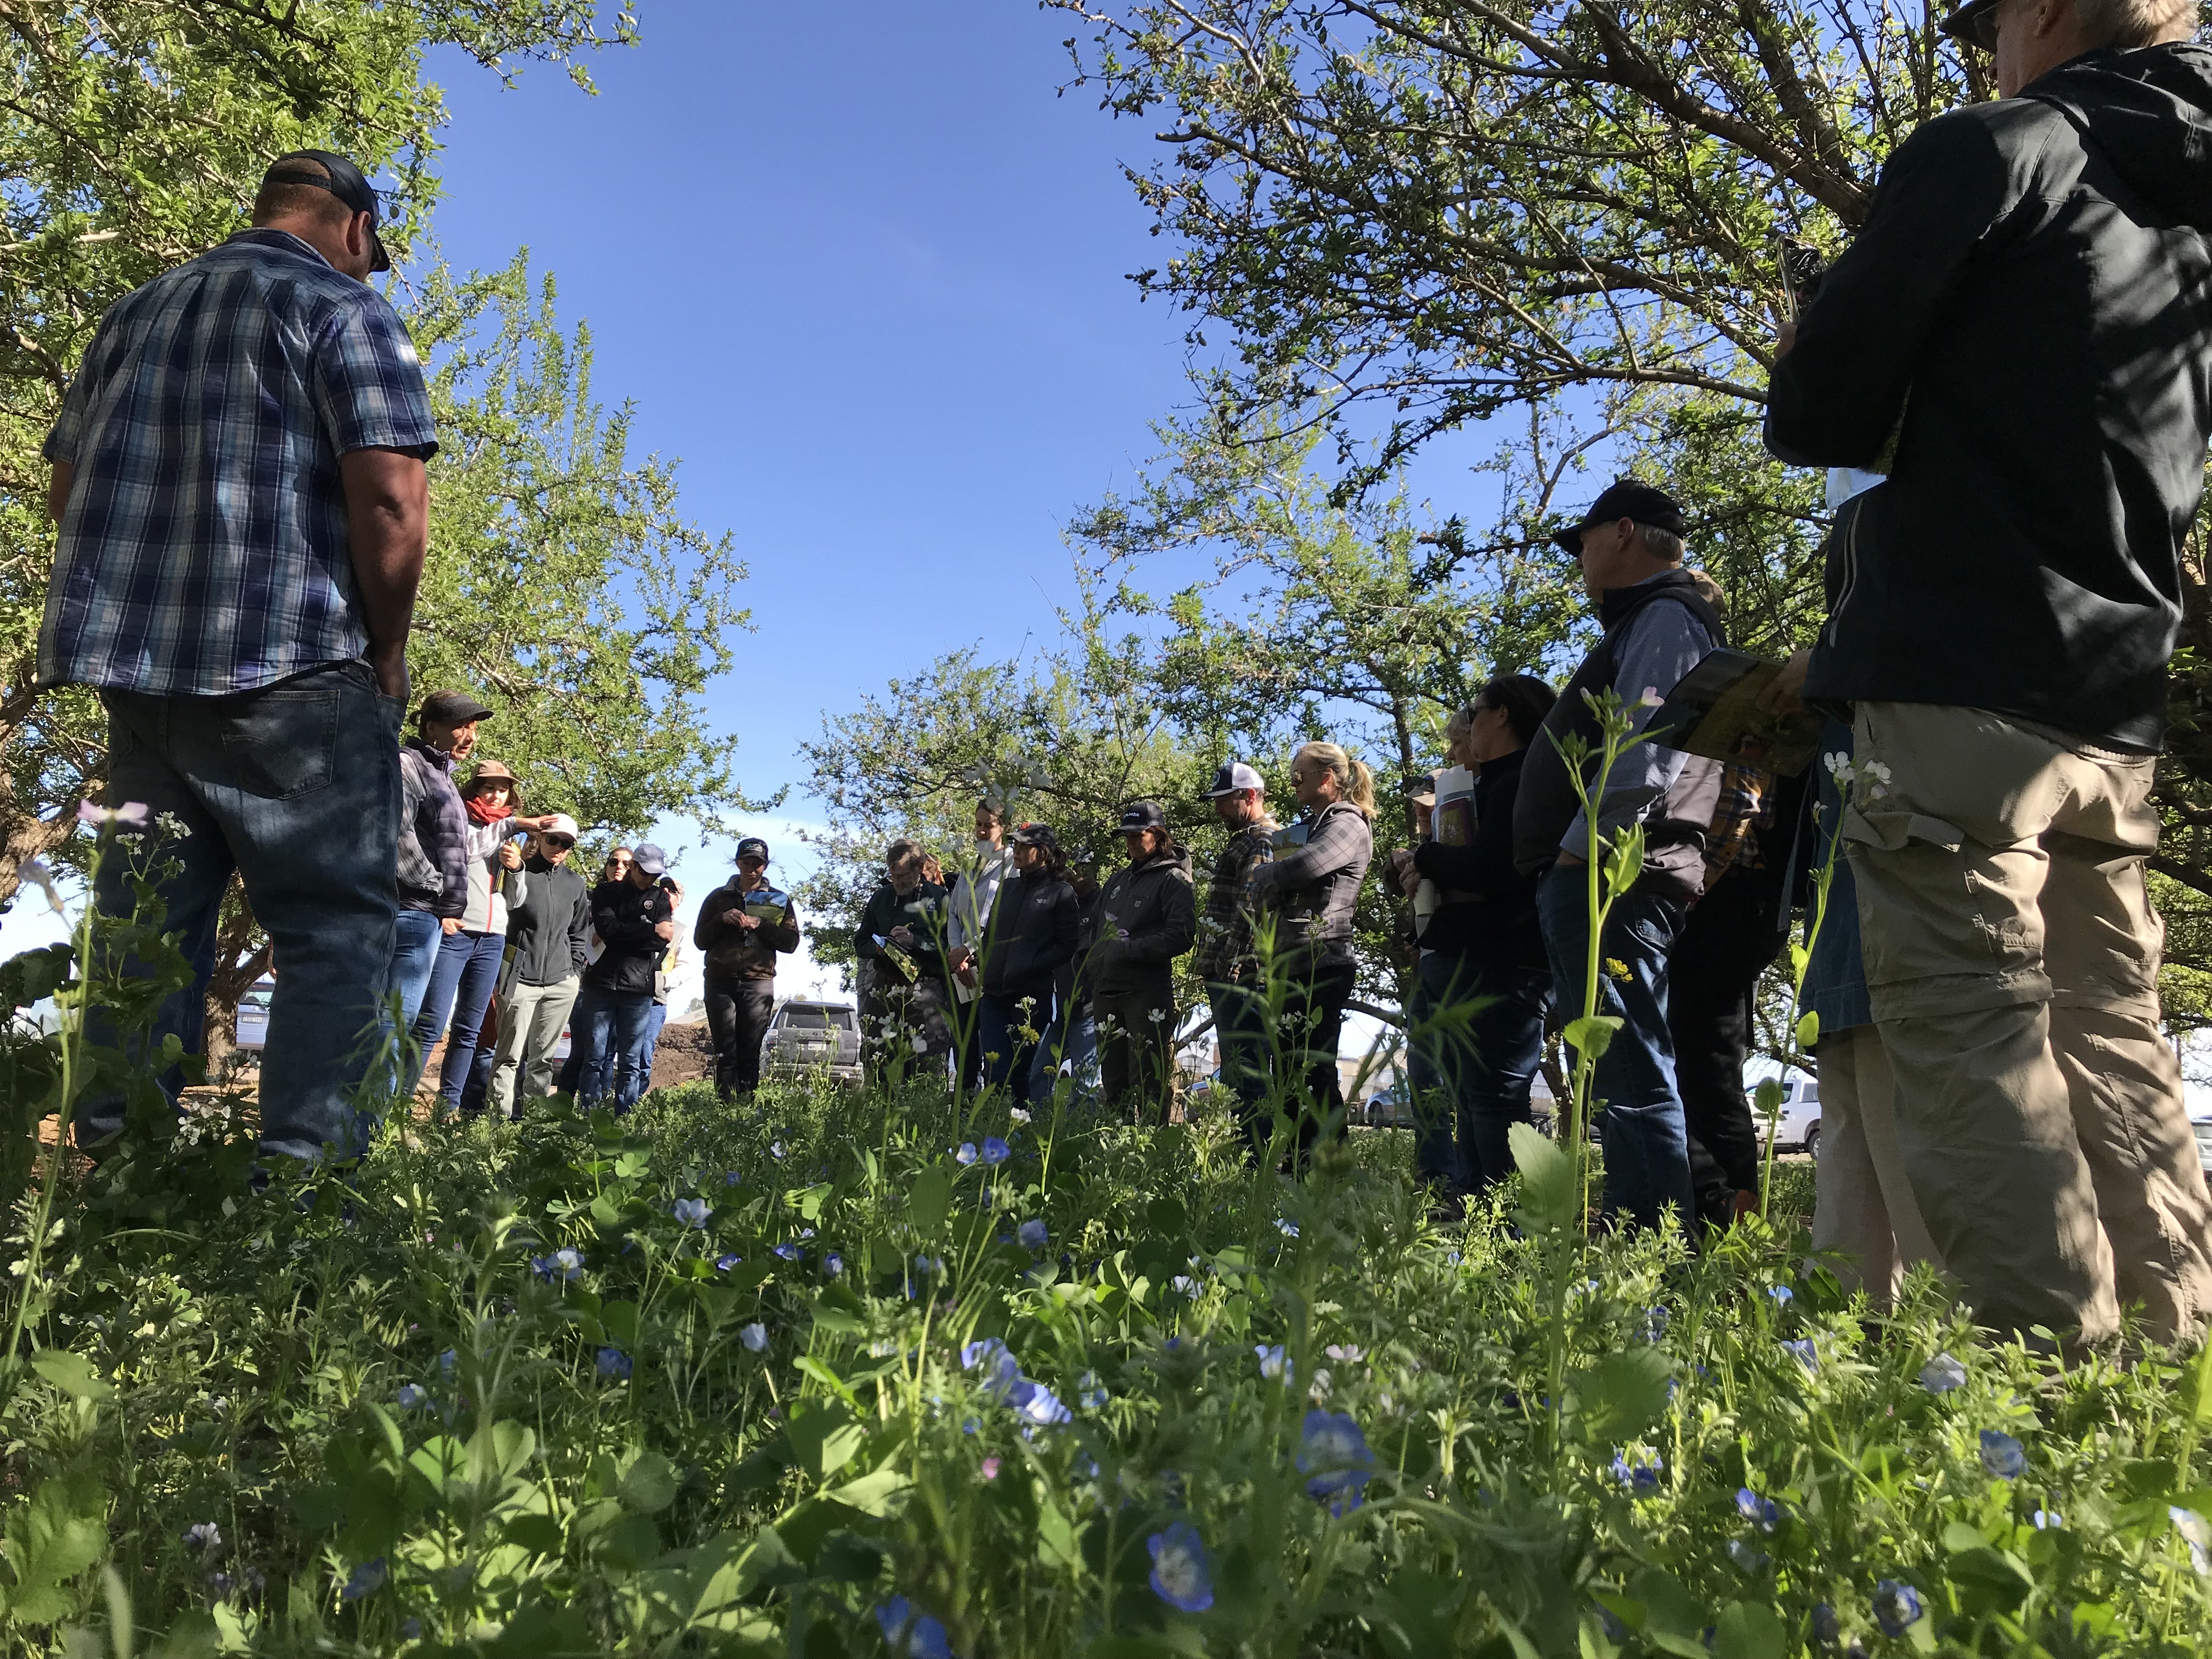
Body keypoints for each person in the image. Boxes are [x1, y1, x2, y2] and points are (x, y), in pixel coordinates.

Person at [1762, 0, 2212, 1344]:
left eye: (1994, 23)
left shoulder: (2000, 146)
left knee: (1971, 1040)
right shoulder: (2188, 212)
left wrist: (1819, 330)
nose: (1983, 50)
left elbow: (1816, 406)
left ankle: (2056, 1398)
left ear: (2053, 12)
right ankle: (2173, 1364)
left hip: (1963, 670)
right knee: (2110, 1039)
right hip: (2113, 694)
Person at [40, 150, 435, 1163]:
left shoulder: (134, 316)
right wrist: (386, 654)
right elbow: (389, 496)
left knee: (144, 935)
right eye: (371, 252)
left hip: (139, 678)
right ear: (354, 226)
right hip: (292, 671)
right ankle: (301, 1196)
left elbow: (65, 493)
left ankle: (122, 1175)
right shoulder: (344, 310)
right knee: (333, 930)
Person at [1515, 479, 1723, 1232]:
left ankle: (1651, 1256)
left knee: (1630, 1071)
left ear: (1624, 532)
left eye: (1584, 540)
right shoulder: (1650, 619)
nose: (1579, 557)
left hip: (1614, 880)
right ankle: (1646, 1238)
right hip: (1605, 876)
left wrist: (1580, 854)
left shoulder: (1666, 616)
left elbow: (1645, 748)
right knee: (1621, 1070)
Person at [1391, 677, 1557, 1200]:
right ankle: (1474, 1197)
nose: (1469, 728)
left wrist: (1424, 857)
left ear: (1503, 715)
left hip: (1503, 956)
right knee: (1471, 1092)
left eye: (1476, 713)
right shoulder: (1487, 786)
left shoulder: (1523, 781)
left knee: (1496, 1095)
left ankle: (1509, 1218)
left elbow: (1493, 868)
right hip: (1469, 950)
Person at [1799, 725, 1944, 1306]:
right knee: (1848, 1142)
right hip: (1840, 944)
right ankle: (1833, 1340)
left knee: (1907, 1146)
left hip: (1892, 937)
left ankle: (1961, 1347)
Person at [1248, 744, 1376, 1157]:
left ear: (1326, 778)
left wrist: (1263, 874)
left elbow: (1303, 868)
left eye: (1299, 775)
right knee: (1289, 1069)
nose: (1292, 783)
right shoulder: (1312, 826)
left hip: (1323, 959)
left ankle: (1330, 1166)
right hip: (1295, 960)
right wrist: (1271, 882)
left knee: (1312, 1068)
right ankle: (1302, 1160)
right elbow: (1279, 888)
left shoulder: (1347, 824)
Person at [409, 759, 541, 1110]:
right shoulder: (460, 820)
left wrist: (517, 869)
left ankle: (446, 1111)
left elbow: (515, 901)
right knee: (430, 1025)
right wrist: (444, 917)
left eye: (503, 789)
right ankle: (396, 1107)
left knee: (470, 1031)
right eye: (488, 788)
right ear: (474, 789)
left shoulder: (510, 837)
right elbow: (467, 851)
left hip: (493, 939)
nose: (496, 796)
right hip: (456, 932)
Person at [1088, 802, 1197, 1121]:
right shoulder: (1118, 880)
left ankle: (1152, 1149)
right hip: (1106, 991)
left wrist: (1130, 949)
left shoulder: (1174, 878)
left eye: (1139, 834)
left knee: (1148, 1079)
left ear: (1158, 834)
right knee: (1114, 1082)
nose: (1132, 841)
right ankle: (1116, 1149)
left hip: (1145, 993)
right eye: (1127, 835)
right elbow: (1093, 926)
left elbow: (1182, 935)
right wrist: (1089, 961)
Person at [1193, 763, 1280, 1156]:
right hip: (1231, 971)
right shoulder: (1243, 838)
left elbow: (1252, 904)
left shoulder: (1261, 838)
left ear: (1249, 797)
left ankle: (1255, 1158)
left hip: (1243, 974)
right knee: (1237, 1068)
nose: (1218, 811)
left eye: (1224, 802)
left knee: (1249, 1069)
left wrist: (1226, 964)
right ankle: (1247, 1153)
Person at [482, 813, 589, 1117]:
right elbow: (508, 907)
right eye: (553, 839)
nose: (559, 847)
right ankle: (497, 1128)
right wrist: (515, 868)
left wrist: (575, 975)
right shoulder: (518, 872)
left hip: (561, 983)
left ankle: (533, 1127)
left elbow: (578, 933)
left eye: (566, 843)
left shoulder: (575, 883)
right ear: (541, 838)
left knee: (543, 1061)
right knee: (508, 1058)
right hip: (519, 979)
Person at [391, 691, 482, 1034]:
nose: (470, 737)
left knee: (402, 1018)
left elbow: (458, 847)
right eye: (460, 726)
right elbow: (397, 833)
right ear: (431, 727)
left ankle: (381, 1090)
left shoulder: (444, 777)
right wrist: (432, 883)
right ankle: (379, 1091)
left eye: (473, 728)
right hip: (412, 910)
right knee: (395, 1019)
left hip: (427, 914)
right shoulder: (408, 763)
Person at [977, 824, 1080, 1107]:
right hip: (993, 996)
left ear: (1043, 853)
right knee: (995, 1072)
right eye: (1015, 845)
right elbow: (989, 934)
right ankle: (994, 1131)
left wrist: (1031, 965)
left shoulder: (1062, 893)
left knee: (1019, 1073)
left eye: (1024, 846)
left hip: (1030, 998)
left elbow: (1068, 945)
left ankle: (1019, 1137)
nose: (1017, 851)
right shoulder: (1007, 887)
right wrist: (984, 965)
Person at [695, 839, 800, 1099]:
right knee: (725, 1050)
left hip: (758, 982)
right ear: (737, 862)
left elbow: (791, 943)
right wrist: (722, 920)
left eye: (758, 863)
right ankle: (724, 1107)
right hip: (720, 981)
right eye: (747, 862)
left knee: (750, 1049)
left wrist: (762, 925)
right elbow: (700, 941)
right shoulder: (717, 897)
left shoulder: (779, 900)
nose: (752, 869)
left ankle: (746, 1105)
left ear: (765, 865)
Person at [575, 843, 676, 1114]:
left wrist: (629, 932)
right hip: (601, 985)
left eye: (655, 874)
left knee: (631, 1061)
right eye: (645, 872)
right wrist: (649, 928)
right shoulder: (606, 892)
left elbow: (663, 941)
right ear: (633, 866)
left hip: (639, 989)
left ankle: (625, 1116)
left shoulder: (661, 898)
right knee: (595, 1056)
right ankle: (589, 1114)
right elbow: (607, 930)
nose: (650, 879)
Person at [856, 839, 955, 1080]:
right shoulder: (880, 898)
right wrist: (880, 948)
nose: (898, 881)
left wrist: (916, 942)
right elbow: (861, 943)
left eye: (903, 875)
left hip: (926, 989)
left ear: (920, 867)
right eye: (893, 875)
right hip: (884, 985)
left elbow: (951, 947)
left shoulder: (941, 898)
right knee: (878, 1058)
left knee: (926, 1065)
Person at [946, 797, 1017, 1090]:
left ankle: (992, 1109)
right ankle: (961, 1107)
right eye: (978, 825)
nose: (982, 832)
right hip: (961, 970)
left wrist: (970, 949)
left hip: (992, 965)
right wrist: (955, 952)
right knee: (964, 1045)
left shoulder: (1013, 865)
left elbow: (1002, 916)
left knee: (991, 1043)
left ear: (1004, 827)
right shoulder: (969, 866)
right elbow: (954, 913)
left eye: (989, 826)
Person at [1030, 849, 1105, 1099]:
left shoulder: (1102, 904)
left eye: (1082, 870)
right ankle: (1034, 1124)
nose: (1075, 875)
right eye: (1071, 870)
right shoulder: (1064, 904)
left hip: (1088, 1007)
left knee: (1085, 1082)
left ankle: (1079, 1135)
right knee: (1039, 1072)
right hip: (1062, 1005)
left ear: (1093, 871)